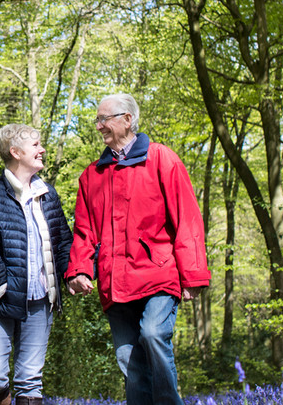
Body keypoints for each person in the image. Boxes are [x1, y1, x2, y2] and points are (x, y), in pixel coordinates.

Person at [65, 94, 211, 405]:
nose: (99, 126)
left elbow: (187, 219)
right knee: (128, 357)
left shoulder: (161, 159)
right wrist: (78, 269)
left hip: (158, 272)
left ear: (128, 120)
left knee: (153, 334)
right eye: (97, 120)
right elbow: (84, 230)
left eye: (105, 119)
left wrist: (193, 275)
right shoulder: (92, 175)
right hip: (113, 280)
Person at [0, 124, 73, 405]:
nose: (42, 150)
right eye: (36, 145)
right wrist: (4, 287)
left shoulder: (48, 193)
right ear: (15, 152)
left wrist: (73, 275)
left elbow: (63, 241)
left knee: (29, 381)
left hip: (40, 300)